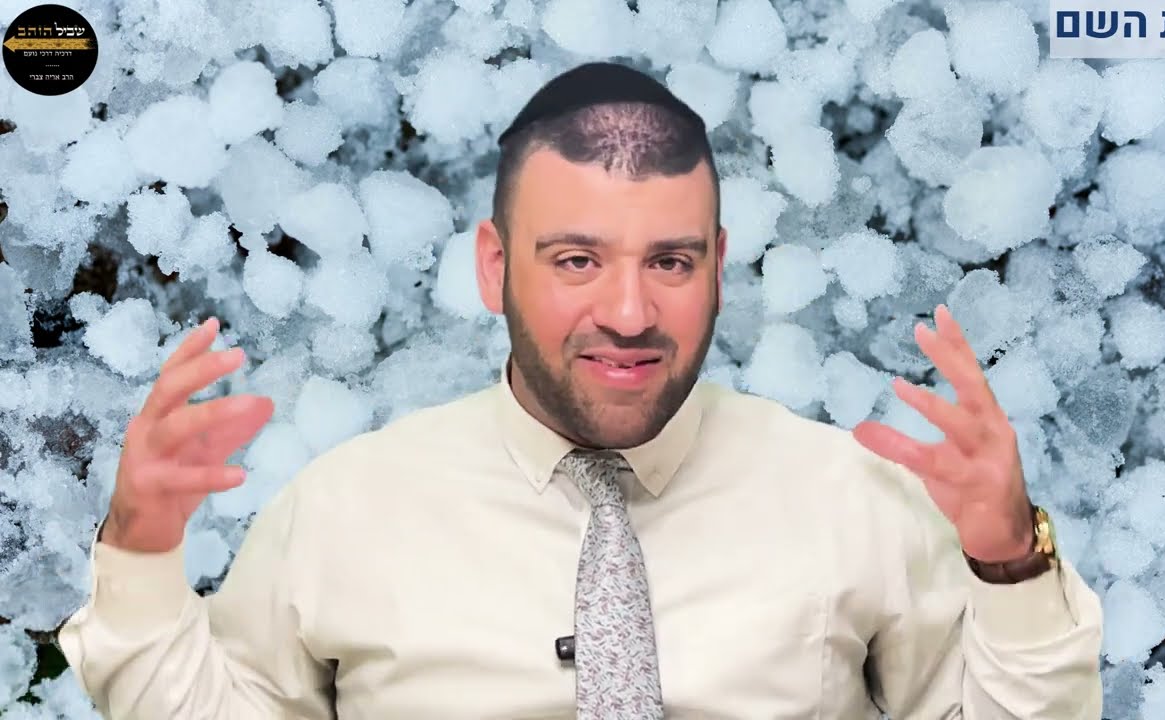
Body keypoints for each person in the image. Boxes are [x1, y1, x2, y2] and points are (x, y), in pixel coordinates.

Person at [57, 61, 1103, 719]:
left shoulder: (853, 497)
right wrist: (140, 552)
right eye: (575, 261)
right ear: (492, 266)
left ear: (718, 267)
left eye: (669, 262)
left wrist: (1010, 560)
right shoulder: (342, 510)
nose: (629, 312)